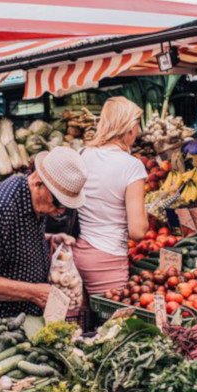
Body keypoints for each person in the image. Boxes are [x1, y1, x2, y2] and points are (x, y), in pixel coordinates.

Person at [0, 146, 88, 318]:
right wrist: (34, 292)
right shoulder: (1, 207)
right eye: (58, 202)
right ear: (38, 183)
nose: (61, 211)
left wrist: (50, 238)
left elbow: (11, 241)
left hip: (22, 318)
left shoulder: (36, 200)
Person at [73, 97, 148, 295]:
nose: (138, 131)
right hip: (108, 258)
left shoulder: (82, 154)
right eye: (137, 124)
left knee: (80, 319)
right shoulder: (132, 166)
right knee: (112, 323)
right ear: (130, 128)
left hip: (78, 251)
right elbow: (138, 232)